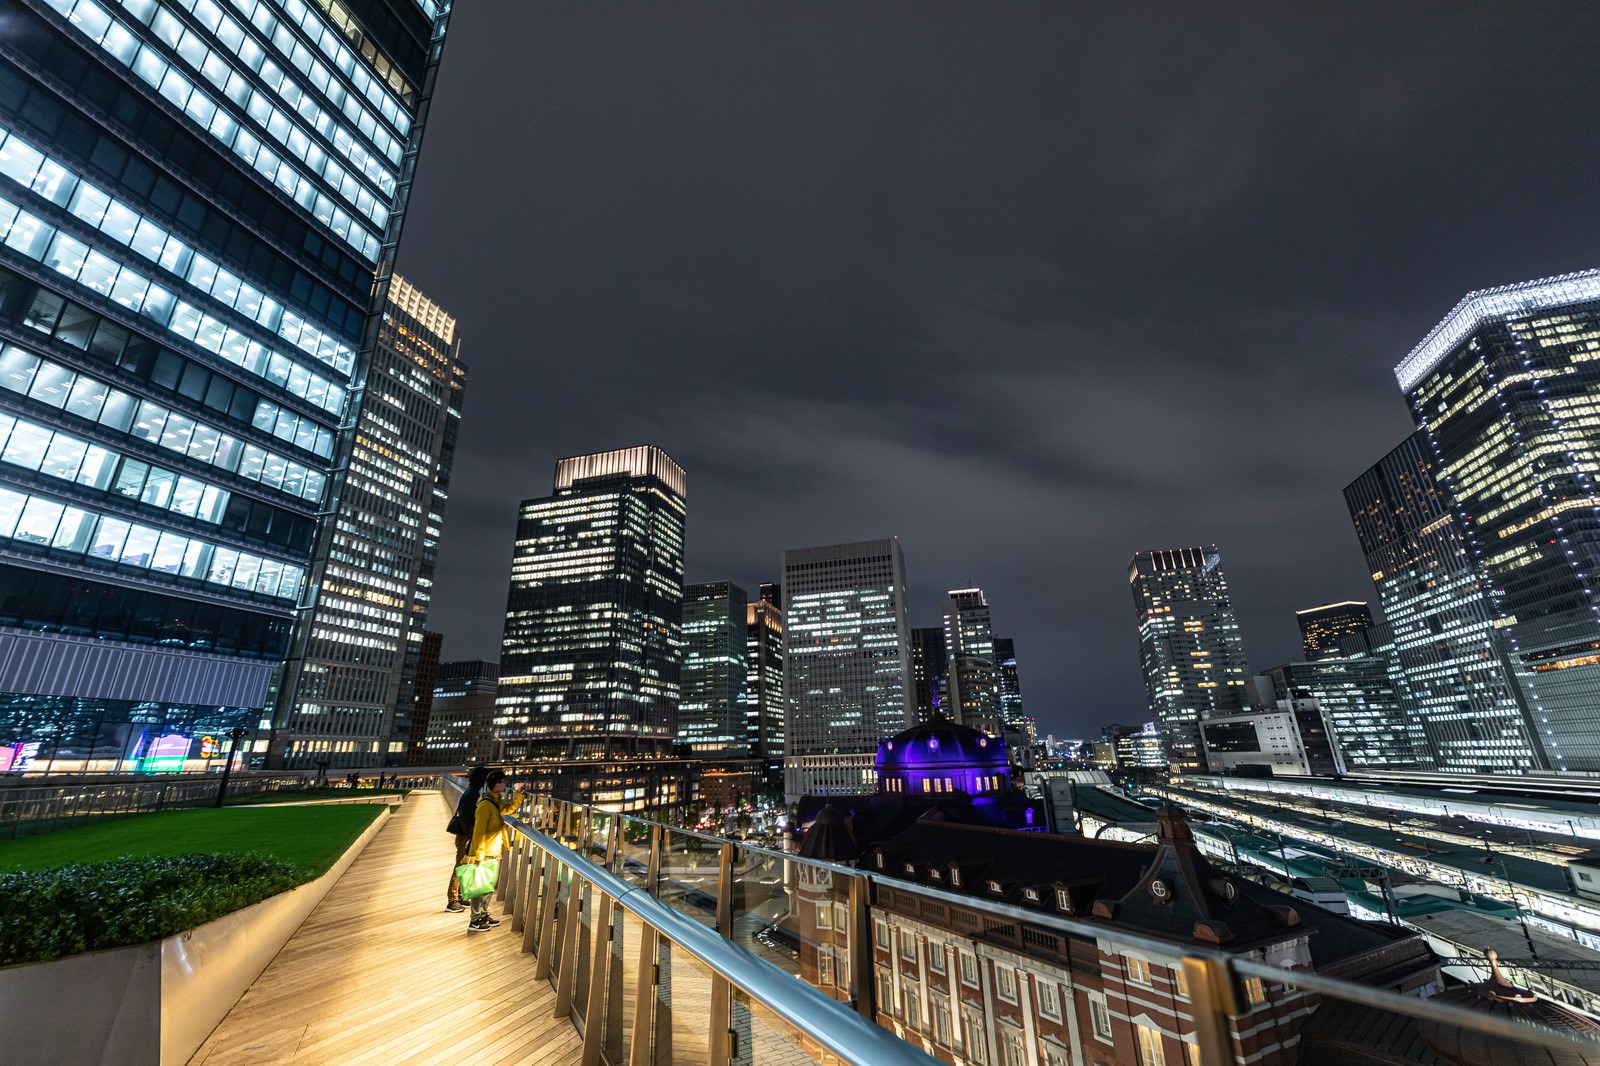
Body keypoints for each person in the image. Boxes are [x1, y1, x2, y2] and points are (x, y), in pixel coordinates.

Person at [464, 769, 524, 931]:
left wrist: (519, 795)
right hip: (485, 852)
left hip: (493, 850)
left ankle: (483, 915)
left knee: (488, 886)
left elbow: (508, 809)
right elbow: (479, 831)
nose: (505, 784)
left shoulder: (494, 801)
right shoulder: (485, 805)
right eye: (503, 782)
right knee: (480, 886)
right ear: (496, 784)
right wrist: (479, 855)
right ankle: (475, 920)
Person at [445, 765, 491, 912]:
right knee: (461, 867)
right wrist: (472, 836)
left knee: (466, 867)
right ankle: (452, 901)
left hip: (467, 836)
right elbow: (466, 819)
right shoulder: (472, 795)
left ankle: (460, 896)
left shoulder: (471, 792)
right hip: (466, 837)